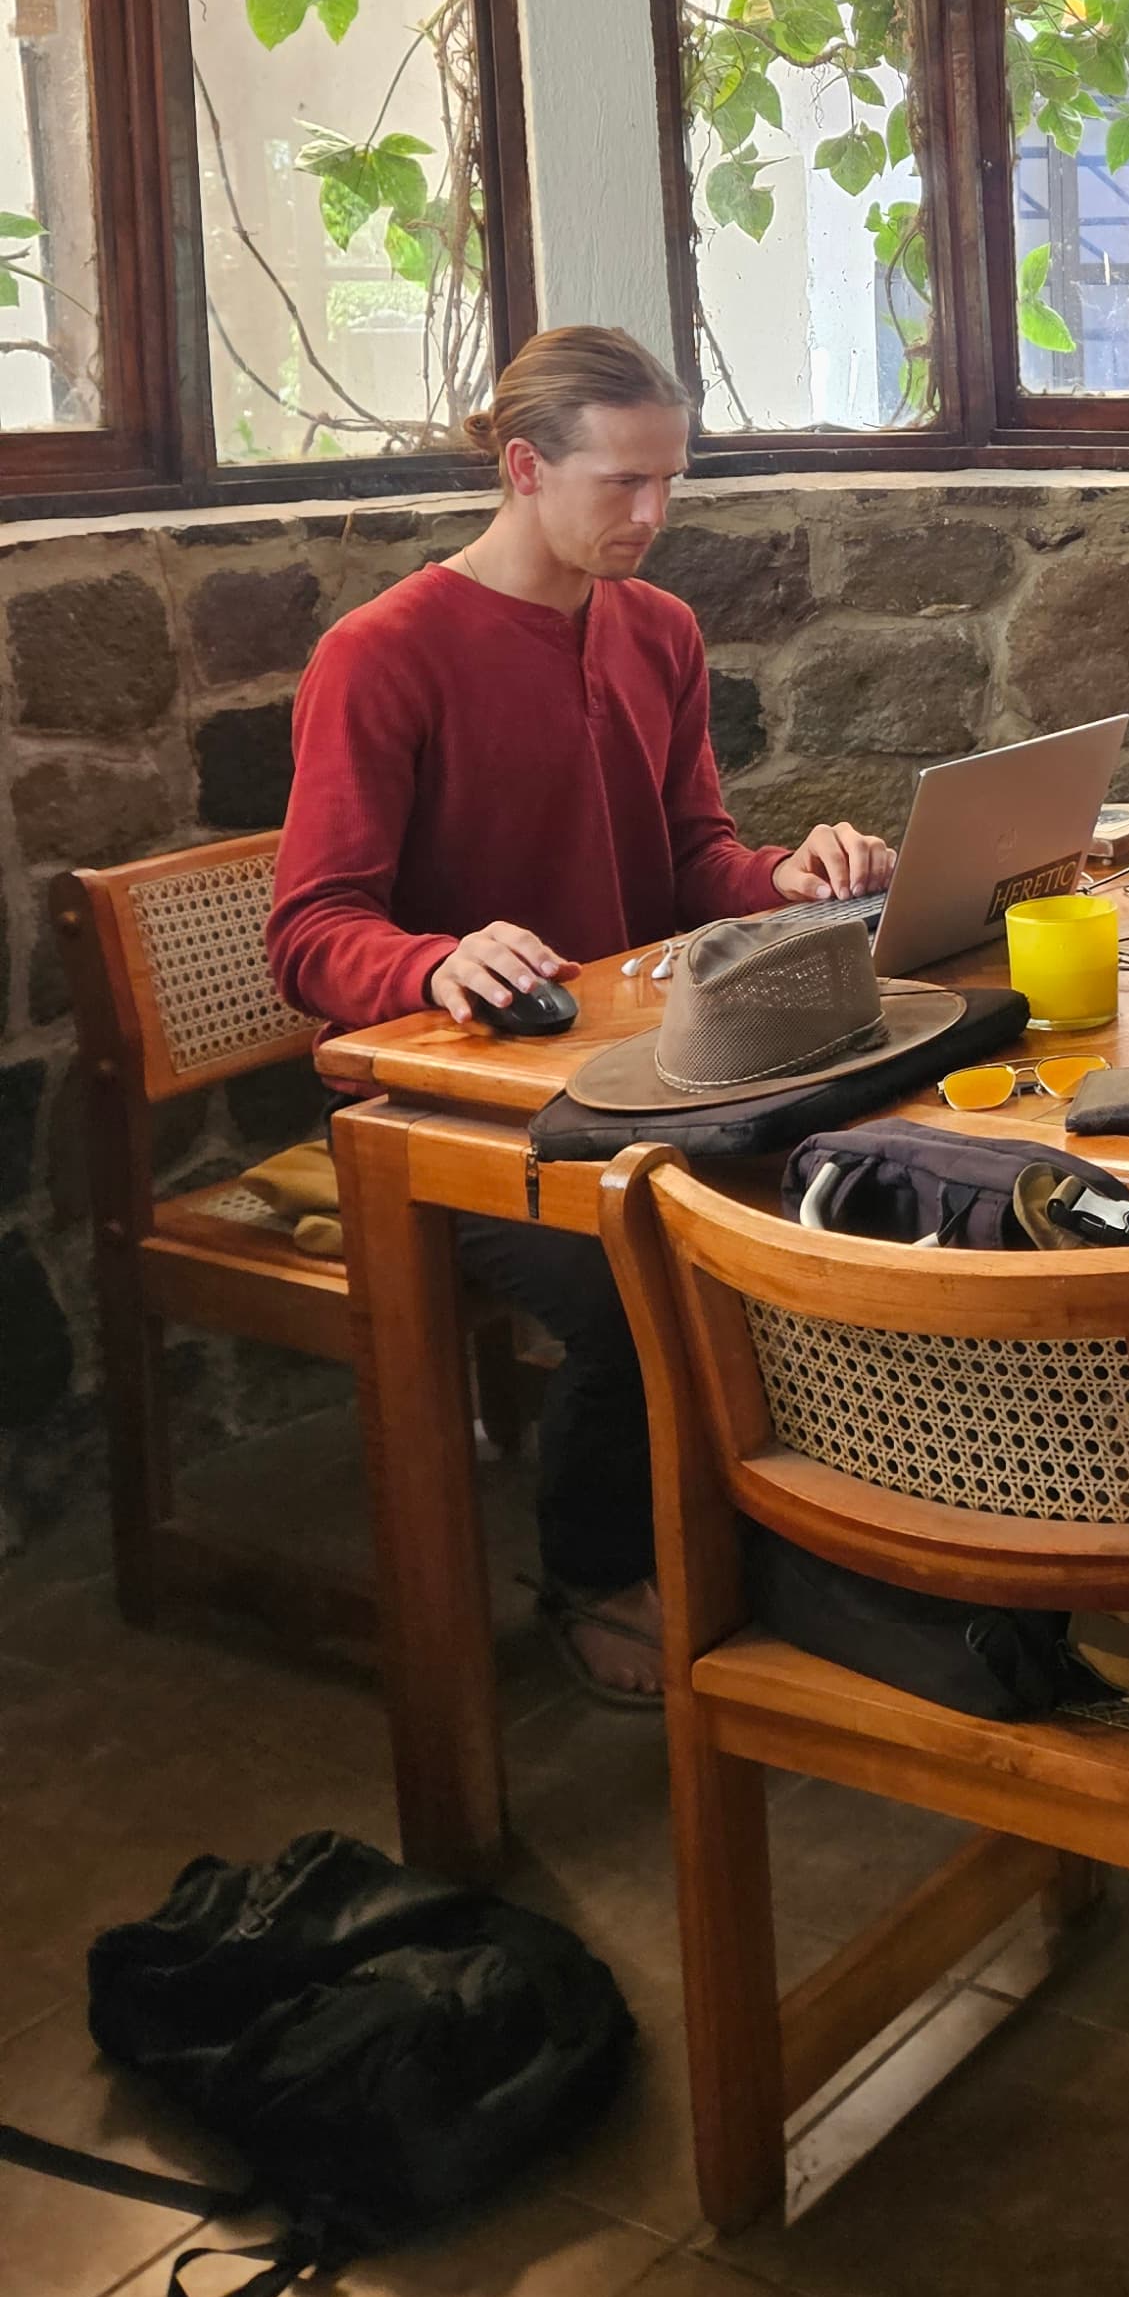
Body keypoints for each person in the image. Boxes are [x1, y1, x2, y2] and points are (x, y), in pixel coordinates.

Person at [269, 325, 896, 1702]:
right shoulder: (380, 655)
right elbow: (311, 932)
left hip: (642, 1070)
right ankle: (595, 1571)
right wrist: (435, 962)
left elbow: (692, 858)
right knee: (640, 1278)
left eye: (670, 481)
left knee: (839, 1202)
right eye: (624, 482)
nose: (654, 513)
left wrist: (785, 877)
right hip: (448, 1108)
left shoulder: (659, 631)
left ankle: (794, 1536)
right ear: (522, 468)